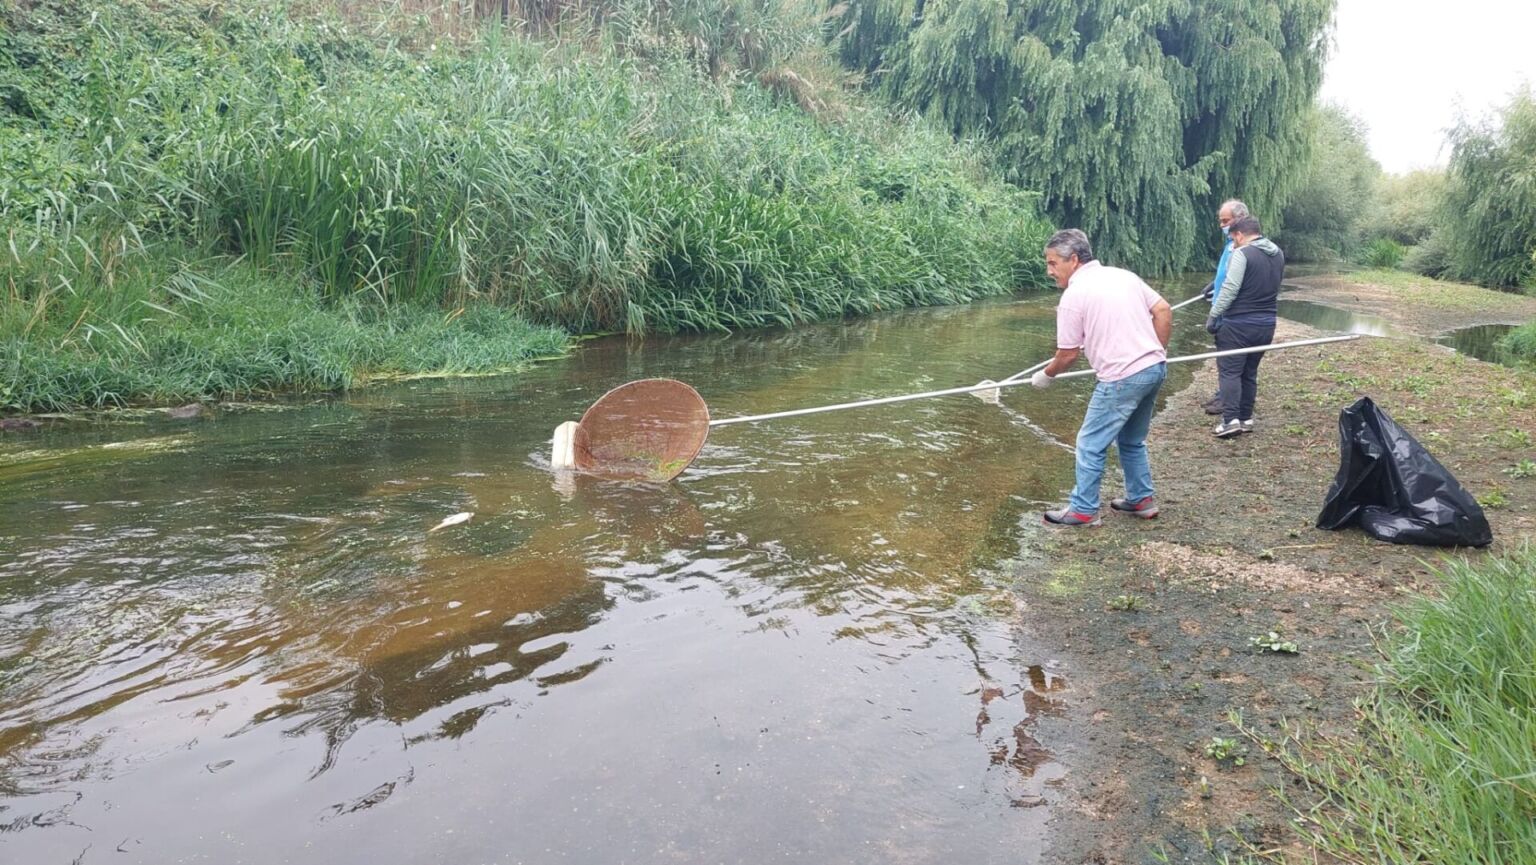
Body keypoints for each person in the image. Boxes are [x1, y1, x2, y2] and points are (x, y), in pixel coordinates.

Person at [1031, 229, 1173, 526]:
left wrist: (1045, 376)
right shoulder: (1123, 276)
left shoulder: (1074, 295)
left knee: (1089, 443)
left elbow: (1067, 354)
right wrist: (1154, 352)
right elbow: (1162, 310)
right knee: (1132, 440)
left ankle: (1083, 510)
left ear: (1073, 260)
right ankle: (1141, 500)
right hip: (1154, 369)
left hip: (1121, 378)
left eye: (1053, 263)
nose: (1049, 271)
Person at [1205, 215, 1283, 438]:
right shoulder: (1277, 253)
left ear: (1239, 234)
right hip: (1267, 324)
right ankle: (1246, 419)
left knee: (1230, 372)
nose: (1234, 243)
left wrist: (1214, 315)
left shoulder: (1242, 253)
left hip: (1238, 324)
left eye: (1234, 238)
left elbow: (1230, 288)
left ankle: (1230, 421)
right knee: (1249, 372)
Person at [1202, 199, 1249, 415]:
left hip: (1229, 312)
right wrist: (1214, 285)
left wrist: (1216, 313)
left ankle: (1228, 402)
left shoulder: (1243, 246)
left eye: (1225, 221)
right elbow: (1225, 274)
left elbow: (1235, 282)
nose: (1222, 225)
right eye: (1220, 221)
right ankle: (1223, 394)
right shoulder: (1230, 244)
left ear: (1239, 219)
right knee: (1222, 354)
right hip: (1220, 305)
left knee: (1229, 360)